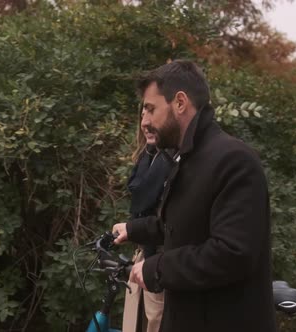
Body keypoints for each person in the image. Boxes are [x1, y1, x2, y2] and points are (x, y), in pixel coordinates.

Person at [111, 60, 276, 331]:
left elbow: (232, 254)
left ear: (180, 103)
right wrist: (134, 229)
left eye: (151, 109)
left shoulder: (233, 160)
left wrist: (157, 268)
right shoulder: (186, 158)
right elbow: (180, 227)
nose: (146, 121)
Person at [122, 107, 174, 332]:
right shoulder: (147, 157)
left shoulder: (173, 160)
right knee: (133, 324)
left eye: (152, 114)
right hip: (142, 254)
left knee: (156, 322)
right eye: (142, 114)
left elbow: (169, 220)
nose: (145, 123)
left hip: (161, 260)